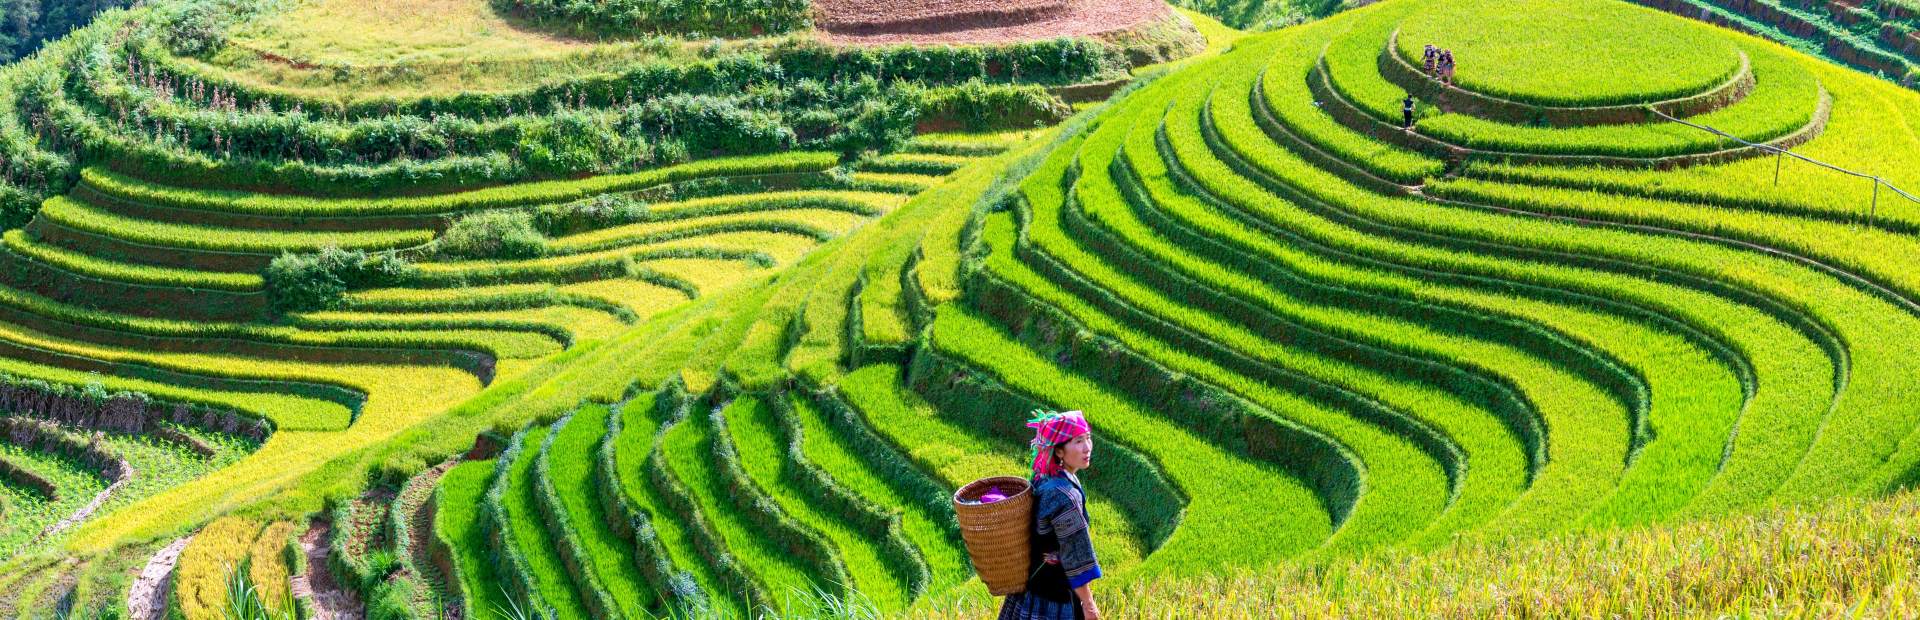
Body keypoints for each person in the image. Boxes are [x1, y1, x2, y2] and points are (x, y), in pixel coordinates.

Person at [999, 410, 1103, 620]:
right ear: (1059, 452)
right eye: (1078, 441)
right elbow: (1074, 554)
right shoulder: (1065, 496)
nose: (1087, 448)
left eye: (1088, 439)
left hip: (1031, 590)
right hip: (1054, 598)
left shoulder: (1044, 478)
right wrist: (1089, 604)